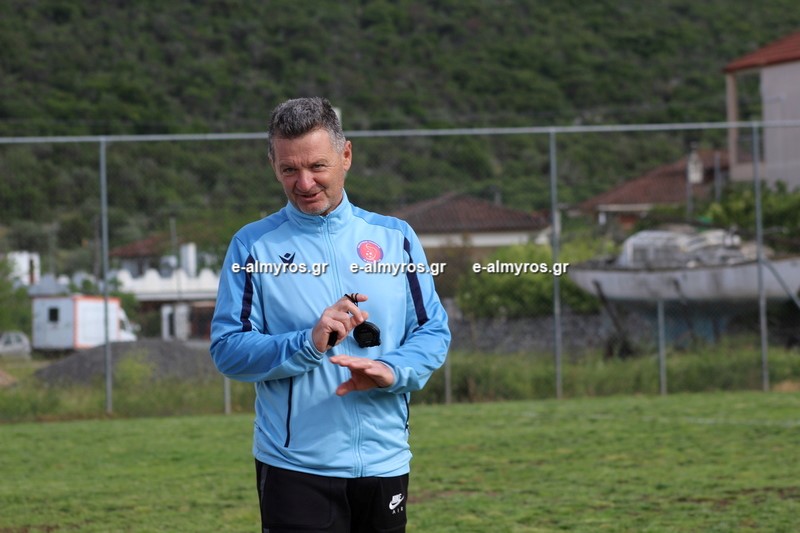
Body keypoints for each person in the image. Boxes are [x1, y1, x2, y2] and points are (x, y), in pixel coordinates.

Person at [210, 96, 451, 533]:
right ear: (273, 165)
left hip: (385, 461)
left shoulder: (395, 239)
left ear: (346, 156)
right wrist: (307, 343)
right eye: (289, 169)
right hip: (295, 467)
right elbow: (228, 349)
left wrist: (392, 370)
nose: (304, 183)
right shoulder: (252, 246)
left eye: (317, 166)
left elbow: (432, 330)